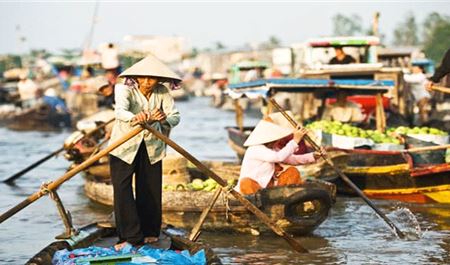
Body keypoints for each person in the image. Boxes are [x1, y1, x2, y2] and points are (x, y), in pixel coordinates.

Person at [108, 54, 181, 250]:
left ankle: (149, 231)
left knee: (149, 188)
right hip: (124, 147)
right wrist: (137, 117)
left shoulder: (162, 91)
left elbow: (175, 116)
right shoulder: (124, 89)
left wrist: (163, 118)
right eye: (144, 78)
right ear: (137, 77)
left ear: (158, 79)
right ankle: (129, 236)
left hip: (152, 147)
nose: (148, 82)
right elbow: (120, 112)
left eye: (152, 78)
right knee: (122, 190)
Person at [236, 120, 321, 195]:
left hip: (268, 189)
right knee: (246, 182)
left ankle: (288, 199)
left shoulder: (273, 149)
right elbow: (278, 157)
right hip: (252, 189)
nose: (278, 141)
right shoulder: (255, 149)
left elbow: (293, 159)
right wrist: (295, 141)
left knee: (292, 172)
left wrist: (313, 156)